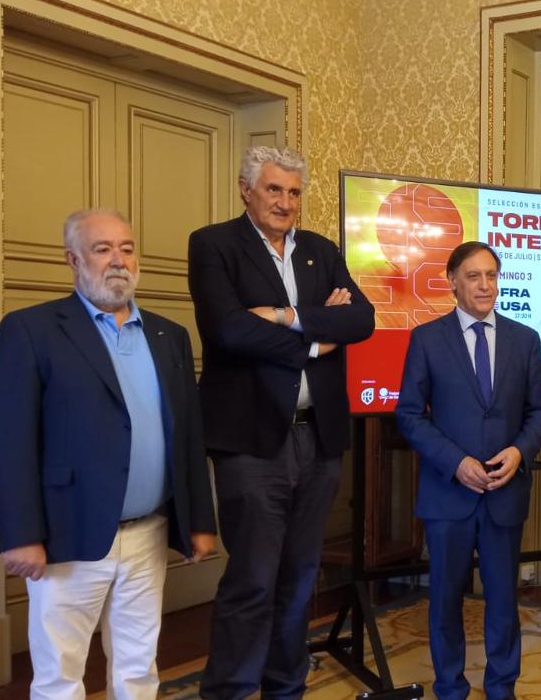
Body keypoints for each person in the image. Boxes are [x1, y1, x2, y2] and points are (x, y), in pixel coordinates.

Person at [0, 209, 216, 700]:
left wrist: (199, 521)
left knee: (137, 665)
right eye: (102, 249)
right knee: (60, 673)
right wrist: (21, 535)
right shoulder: (31, 330)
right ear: (73, 259)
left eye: (127, 249)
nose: (118, 261)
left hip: (147, 533)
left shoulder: (168, 335)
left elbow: (188, 437)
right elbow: (7, 442)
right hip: (69, 532)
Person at [189, 146, 375, 700]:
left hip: (317, 435)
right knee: (252, 577)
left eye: (294, 192)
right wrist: (319, 341)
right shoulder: (214, 244)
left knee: (299, 575)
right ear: (246, 189)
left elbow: (361, 318)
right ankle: (229, 690)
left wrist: (284, 315)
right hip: (250, 439)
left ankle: (284, 687)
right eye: (274, 190)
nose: (285, 202)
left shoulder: (320, 250)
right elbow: (227, 331)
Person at [396, 241, 541, 700]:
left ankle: (502, 687)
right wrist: (455, 462)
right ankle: (450, 687)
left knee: (503, 599)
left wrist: (520, 452)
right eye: (474, 276)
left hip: (505, 492)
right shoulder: (426, 338)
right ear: (453, 282)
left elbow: (539, 411)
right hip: (449, 494)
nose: (485, 285)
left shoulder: (525, 339)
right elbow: (409, 414)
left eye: (491, 275)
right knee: (445, 600)